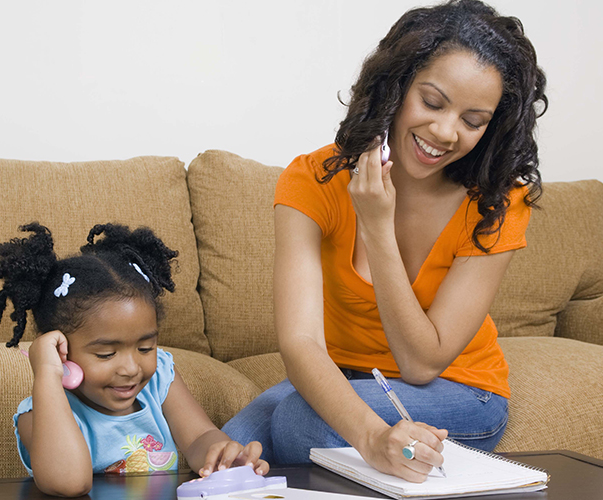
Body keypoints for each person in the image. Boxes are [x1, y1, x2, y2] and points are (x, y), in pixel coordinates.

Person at [223, 0, 547, 484]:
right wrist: (367, 432)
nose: (444, 131)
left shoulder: (497, 202)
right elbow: (301, 341)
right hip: (352, 374)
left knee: (297, 422)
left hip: (458, 388)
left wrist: (376, 227)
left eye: (473, 121)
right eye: (433, 102)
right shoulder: (312, 180)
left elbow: (420, 363)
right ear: (395, 86)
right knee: (228, 449)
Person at [0, 222, 269, 497]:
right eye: (106, 354)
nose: (131, 369)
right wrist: (46, 375)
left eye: (145, 348)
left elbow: (198, 437)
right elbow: (69, 483)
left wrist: (222, 455)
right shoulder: (40, 412)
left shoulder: (159, 379)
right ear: (60, 350)